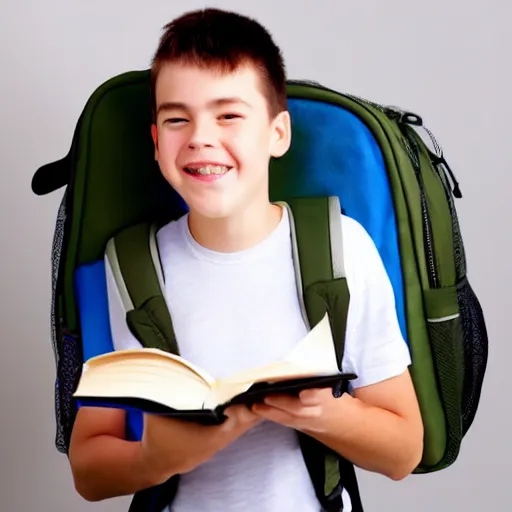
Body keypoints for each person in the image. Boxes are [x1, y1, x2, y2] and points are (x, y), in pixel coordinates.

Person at [67, 7, 424, 511]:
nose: (199, 137)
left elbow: (404, 451)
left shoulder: (342, 249)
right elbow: (88, 469)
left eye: (229, 114)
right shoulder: (126, 266)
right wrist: (160, 456)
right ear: (155, 142)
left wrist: (320, 412)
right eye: (176, 118)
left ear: (278, 133)